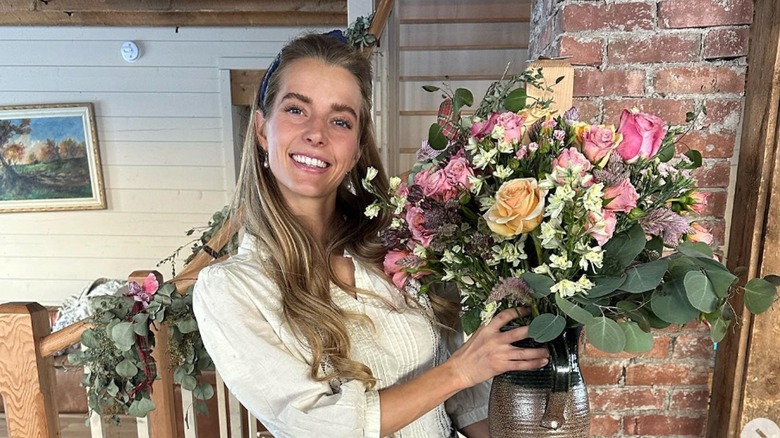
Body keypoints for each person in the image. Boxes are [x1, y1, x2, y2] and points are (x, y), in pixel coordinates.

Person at [193, 31, 549, 438]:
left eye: (340, 120)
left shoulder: (395, 249)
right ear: (261, 130)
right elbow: (317, 426)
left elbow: (462, 404)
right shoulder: (232, 289)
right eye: (296, 110)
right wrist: (461, 370)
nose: (317, 133)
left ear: (358, 148)